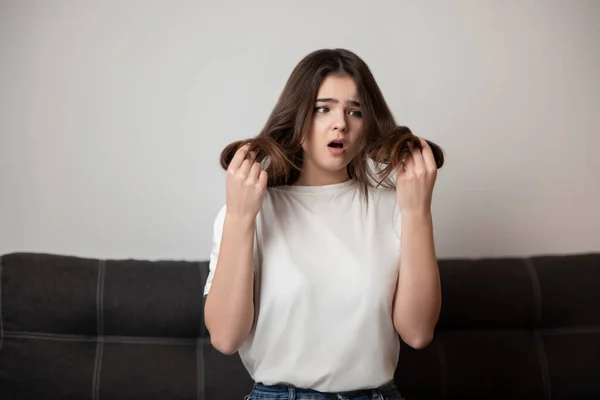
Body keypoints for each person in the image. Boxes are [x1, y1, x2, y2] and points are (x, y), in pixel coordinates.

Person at [203, 48, 444, 400]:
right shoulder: (250, 210)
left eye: (355, 111)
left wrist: (418, 211)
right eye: (323, 108)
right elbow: (225, 337)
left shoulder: (397, 209)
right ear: (298, 118)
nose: (341, 123)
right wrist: (241, 218)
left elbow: (418, 332)